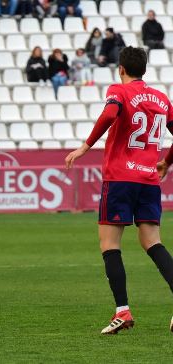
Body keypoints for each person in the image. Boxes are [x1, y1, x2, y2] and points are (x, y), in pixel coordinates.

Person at [65, 46, 173, 335]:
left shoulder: (119, 90)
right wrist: (166, 162)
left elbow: (110, 114)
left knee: (110, 245)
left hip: (121, 178)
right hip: (149, 179)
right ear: (145, 70)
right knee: (153, 242)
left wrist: (85, 146)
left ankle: (122, 311)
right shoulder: (162, 99)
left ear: (121, 69)